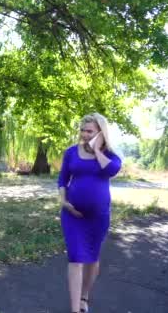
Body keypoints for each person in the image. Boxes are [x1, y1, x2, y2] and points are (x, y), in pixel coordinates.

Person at [58, 113, 122, 313]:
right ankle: (75, 309)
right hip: (72, 215)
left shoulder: (110, 156)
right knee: (76, 258)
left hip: (98, 217)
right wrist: (63, 201)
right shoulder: (71, 152)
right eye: (82, 130)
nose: (84, 134)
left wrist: (96, 149)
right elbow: (62, 179)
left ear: (101, 133)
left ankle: (85, 297)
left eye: (90, 131)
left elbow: (111, 171)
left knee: (92, 259)